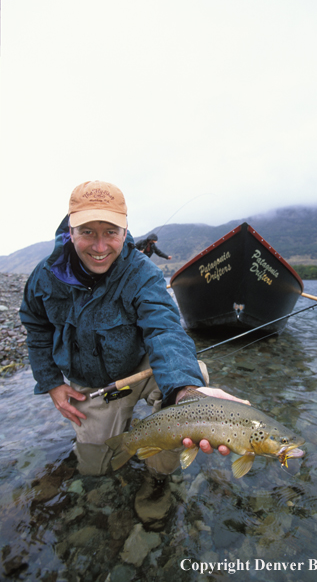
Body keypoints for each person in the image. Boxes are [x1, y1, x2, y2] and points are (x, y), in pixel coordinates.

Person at [20, 180, 247, 476]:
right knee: (95, 468)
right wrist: (51, 382)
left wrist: (185, 390)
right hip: (94, 386)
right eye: (88, 232)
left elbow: (165, 330)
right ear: (70, 231)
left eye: (110, 233)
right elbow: (36, 328)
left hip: (141, 370)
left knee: (196, 383)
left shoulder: (143, 273)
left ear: (125, 231)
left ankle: (157, 476)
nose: (100, 247)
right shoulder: (44, 277)